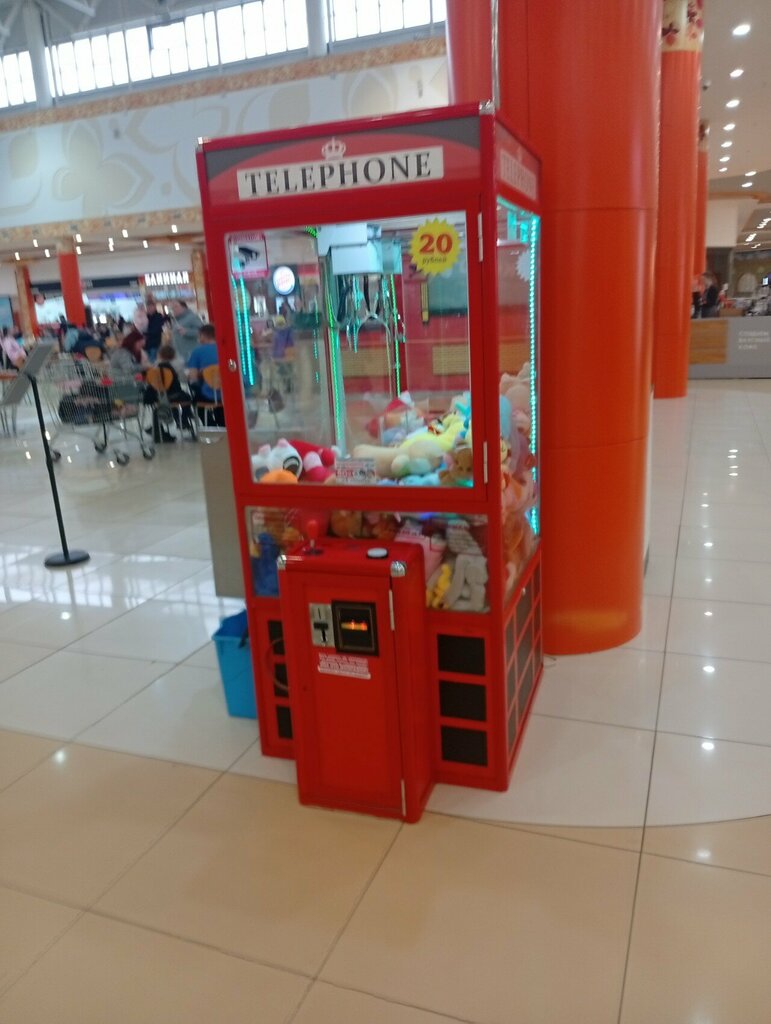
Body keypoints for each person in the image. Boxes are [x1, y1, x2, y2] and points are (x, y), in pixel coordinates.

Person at [144, 343, 194, 443]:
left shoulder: (155, 367)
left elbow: (150, 382)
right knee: (187, 397)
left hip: (159, 397)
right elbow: (184, 379)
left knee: (162, 405)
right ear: (174, 355)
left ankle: (157, 428)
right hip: (175, 395)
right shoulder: (177, 365)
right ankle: (183, 419)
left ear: (159, 355)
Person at [187, 323, 224, 426]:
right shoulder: (224, 349)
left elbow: (193, 377)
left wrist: (202, 373)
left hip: (206, 394)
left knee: (197, 400)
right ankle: (222, 424)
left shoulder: (197, 352)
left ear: (203, 335)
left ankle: (209, 425)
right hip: (225, 393)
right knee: (220, 404)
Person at [169, 300, 203, 364]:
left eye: (176, 306)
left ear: (184, 307)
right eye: (172, 307)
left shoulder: (192, 317)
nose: (173, 309)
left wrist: (187, 332)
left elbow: (202, 331)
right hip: (179, 355)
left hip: (190, 354)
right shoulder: (176, 320)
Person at [143, 298, 165, 363]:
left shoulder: (158, 316)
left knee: (153, 362)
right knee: (146, 362)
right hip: (145, 344)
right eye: (148, 307)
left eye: (151, 307)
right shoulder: (145, 316)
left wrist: (145, 334)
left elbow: (156, 330)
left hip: (154, 343)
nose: (149, 308)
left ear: (154, 307)